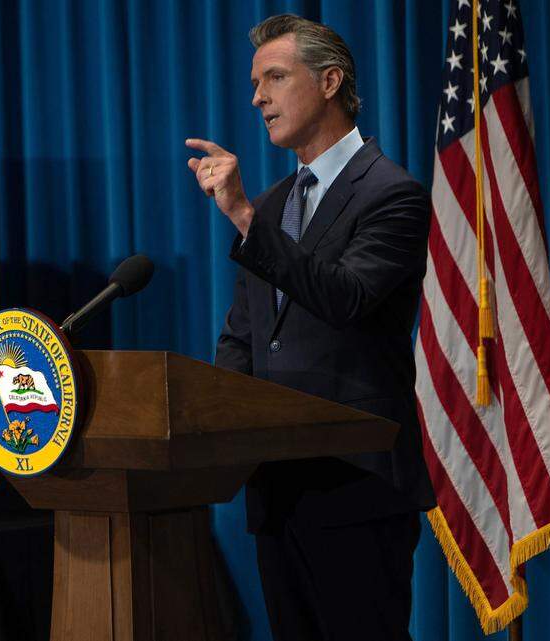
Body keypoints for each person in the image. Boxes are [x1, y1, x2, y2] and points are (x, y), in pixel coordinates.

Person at [185, 14, 435, 641]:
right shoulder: (271, 204)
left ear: (329, 81)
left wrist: (242, 215)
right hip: (278, 486)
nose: (257, 97)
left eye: (274, 77)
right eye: (253, 82)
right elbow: (244, 336)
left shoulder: (392, 193)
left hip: (355, 485)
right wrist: (214, 429)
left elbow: (346, 297)